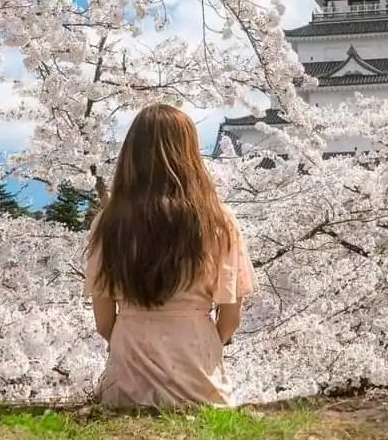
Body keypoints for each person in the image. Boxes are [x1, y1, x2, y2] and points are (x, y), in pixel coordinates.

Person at [83, 102, 257, 408]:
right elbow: (230, 319)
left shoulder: (108, 223)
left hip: (127, 380)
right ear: (189, 153)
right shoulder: (218, 221)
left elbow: (103, 321)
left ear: (131, 155)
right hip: (198, 377)